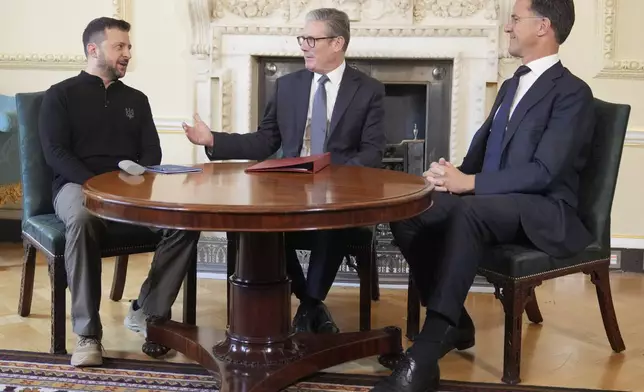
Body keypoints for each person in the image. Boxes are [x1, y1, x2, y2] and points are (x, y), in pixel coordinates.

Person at [372, 0, 593, 390]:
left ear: (543, 27)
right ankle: (456, 321)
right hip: (494, 201)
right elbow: (479, 158)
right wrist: (447, 175)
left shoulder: (573, 92)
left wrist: (469, 184)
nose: (507, 28)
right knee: (411, 210)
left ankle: (428, 348)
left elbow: (545, 172)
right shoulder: (511, 85)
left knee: (467, 214)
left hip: (543, 209)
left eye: (514, 19)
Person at [183, 8, 386, 334]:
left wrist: (334, 178)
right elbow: (265, 141)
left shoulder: (369, 90)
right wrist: (213, 140)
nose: (304, 45)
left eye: (311, 39)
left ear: (337, 43)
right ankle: (311, 304)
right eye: (302, 38)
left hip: (341, 194)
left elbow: (373, 152)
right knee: (256, 224)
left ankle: (309, 305)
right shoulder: (287, 86)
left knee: (332, 222)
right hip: (290, 188)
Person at [39, 17, 201, 367]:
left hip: (131, 190)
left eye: (129, 47)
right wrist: (96, 186)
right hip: (75, 187)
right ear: (93, 49)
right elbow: (55, 153)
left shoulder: (137, 100)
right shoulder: (60, 95)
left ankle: (149, 313)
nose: (128, 53)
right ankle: (87, 335)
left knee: (185, 222)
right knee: (81, 220)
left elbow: (152, 153)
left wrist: (133, 182)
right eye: (120, 47)